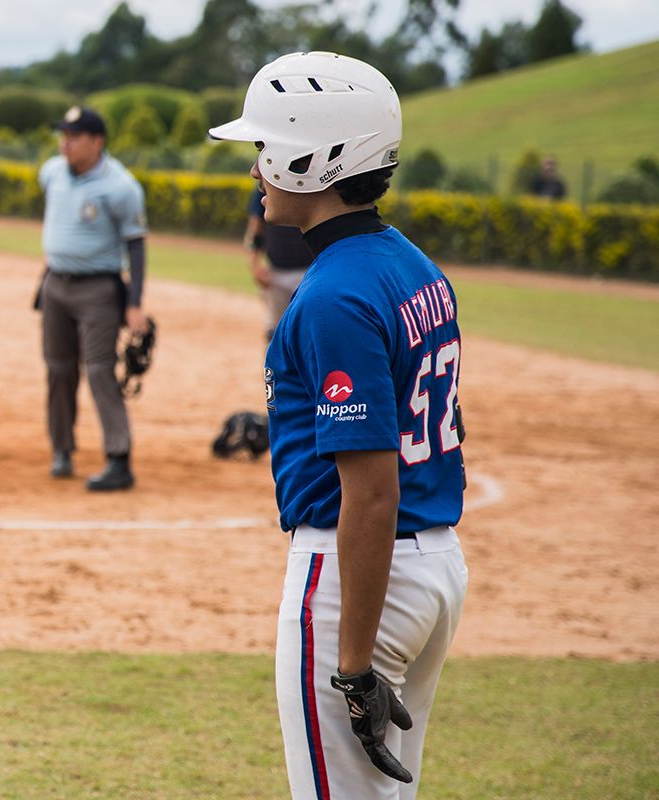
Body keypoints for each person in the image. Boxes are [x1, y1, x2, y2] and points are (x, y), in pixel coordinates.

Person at [210, 51, 468, 799]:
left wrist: (352, 661)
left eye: (265, 149)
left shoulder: (333, 296)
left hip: (357, 578)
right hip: (433, 566)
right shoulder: (411, 264)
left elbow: (371, 492)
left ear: (308, 156)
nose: (255, 170)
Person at [37, 105, 149, 491]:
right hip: (54, 283)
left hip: (98, 289)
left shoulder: (121, 186)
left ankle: (119, 458)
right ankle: (62, 449)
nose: (65, 142)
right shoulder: (52, 171)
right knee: (58, 369)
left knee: (100, 370)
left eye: (74, 136)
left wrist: (133, 304)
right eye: (63, 135)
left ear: (97, 141)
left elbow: (135, 246)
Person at [244, 184, 313, 339]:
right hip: (276, 270)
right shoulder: (268, 184)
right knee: (275, 332)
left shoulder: (312, 183)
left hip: (309, 272)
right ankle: (273, 363)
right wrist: (254, 264)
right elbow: (255, 226)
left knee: (306, 330)